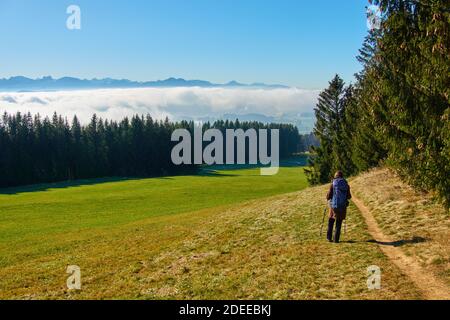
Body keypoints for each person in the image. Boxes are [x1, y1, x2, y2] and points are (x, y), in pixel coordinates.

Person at [326, 171, 351, 243]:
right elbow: (349, 196)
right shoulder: (346, 184)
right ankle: (336, 240)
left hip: (333, 206)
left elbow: (328, 196)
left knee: (331, 221)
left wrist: (328, 197)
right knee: (338, 223)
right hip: (342, 206)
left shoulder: (333, 184)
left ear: (335, 176)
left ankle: (329, 237)